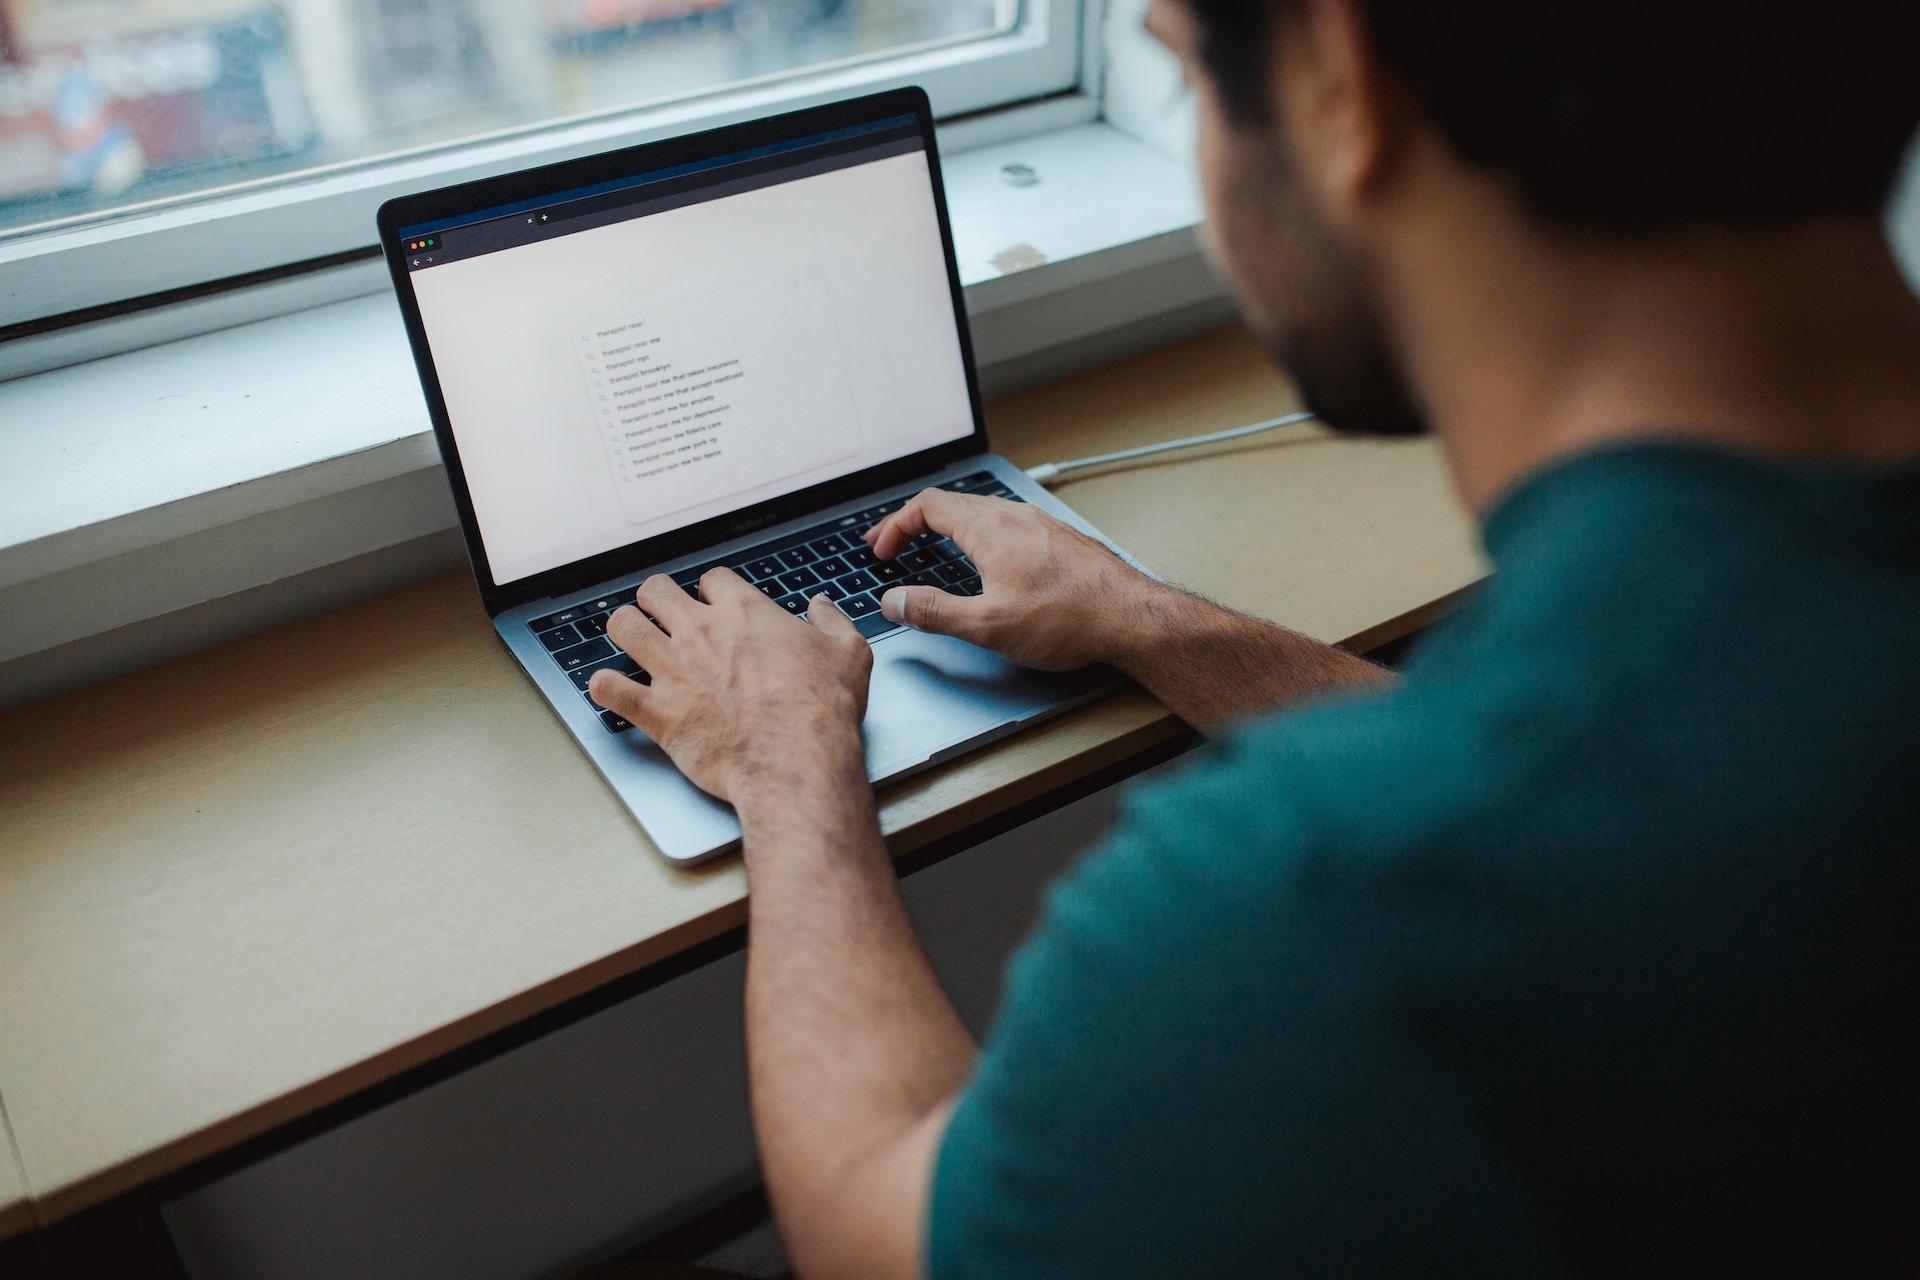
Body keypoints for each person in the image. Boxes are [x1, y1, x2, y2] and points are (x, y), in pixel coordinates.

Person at [584, 0, 1920, 1273]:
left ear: (1343, 77)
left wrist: (788, 760)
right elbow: (1590, 797)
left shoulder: (1312, 890)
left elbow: (885, 1237)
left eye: (1182, 71)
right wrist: (1140, 616)